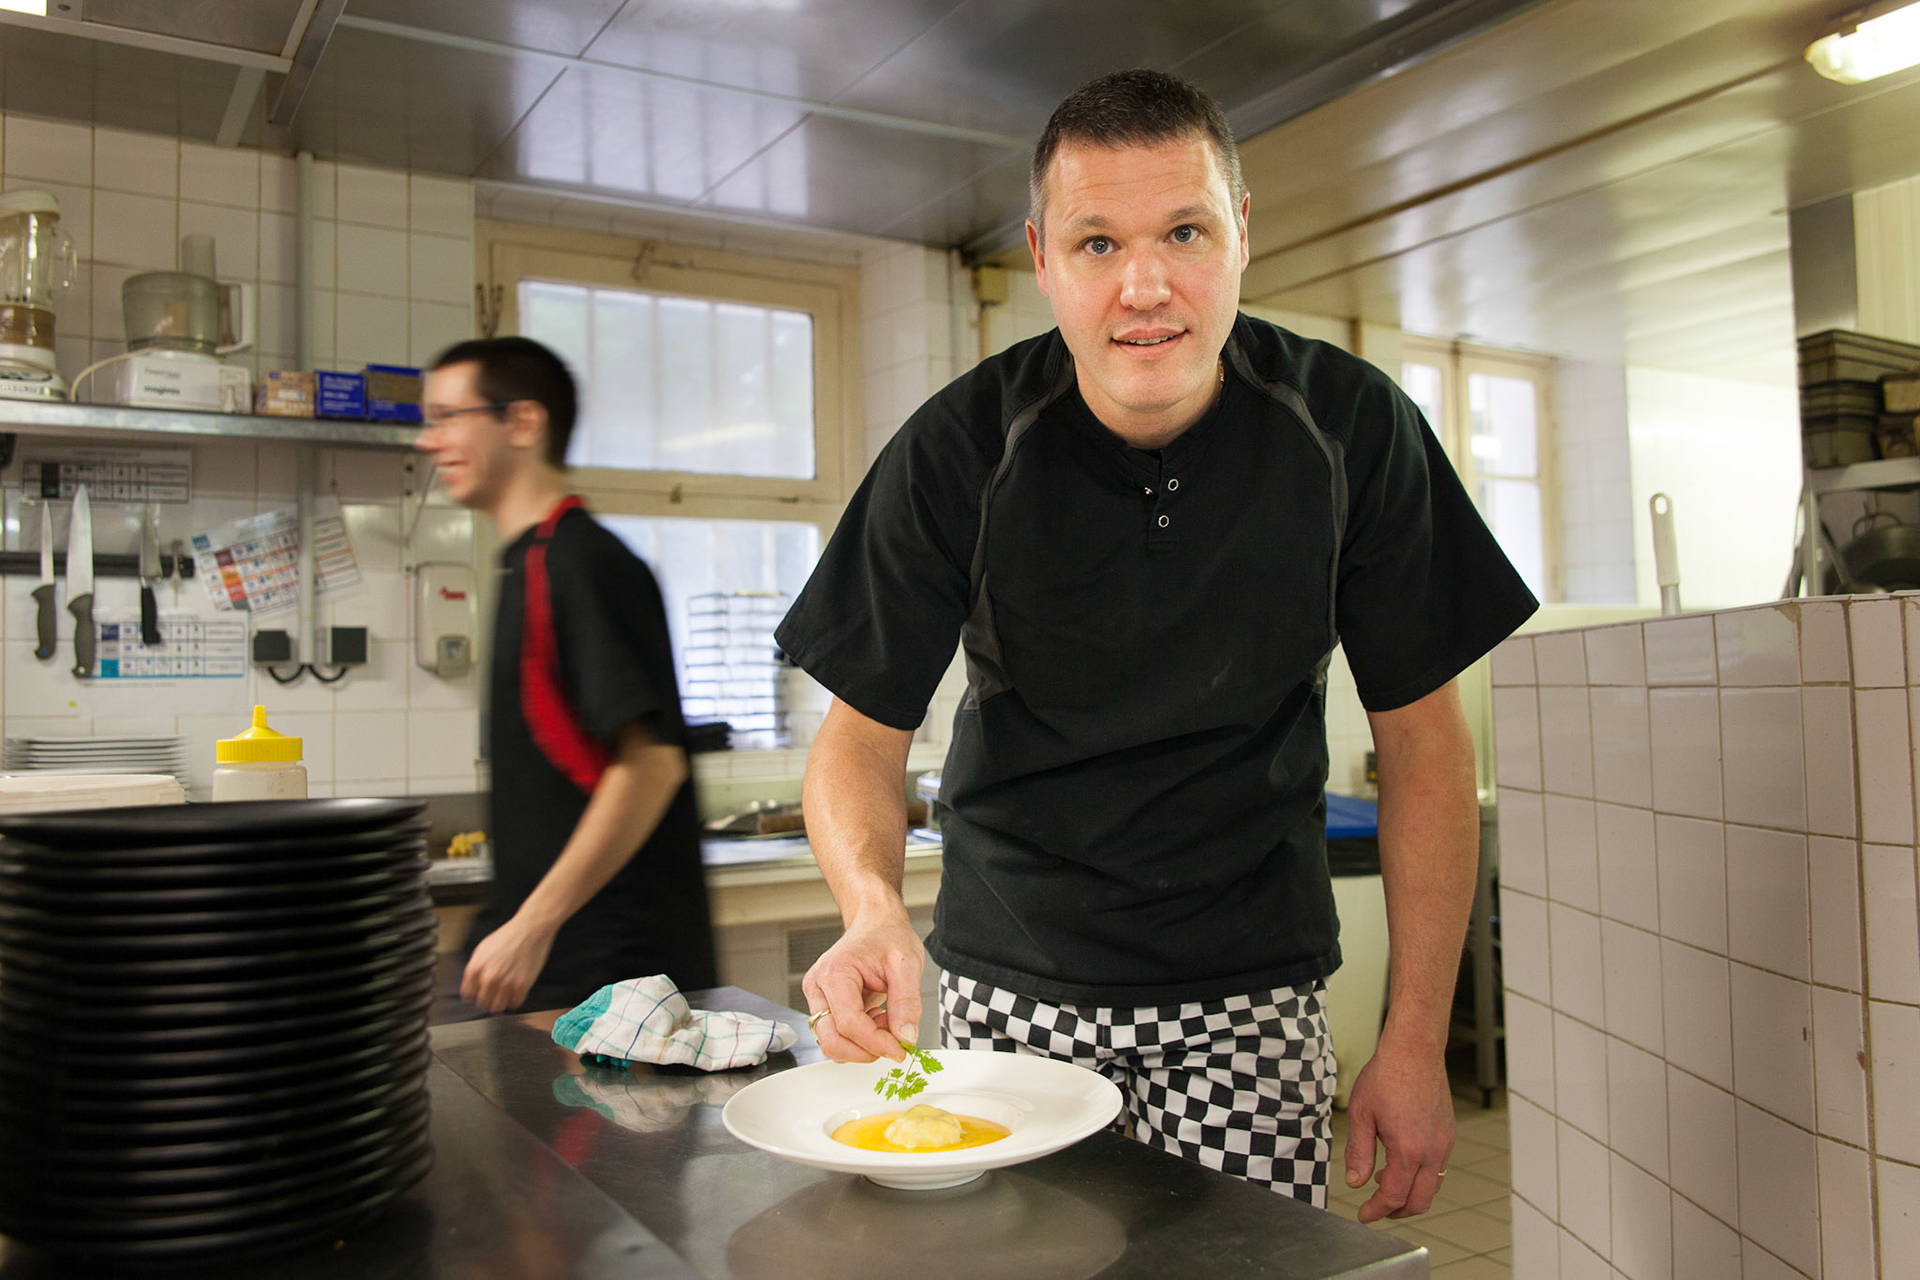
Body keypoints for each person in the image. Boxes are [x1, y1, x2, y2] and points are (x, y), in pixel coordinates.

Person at [772, 69, 1537, 1218]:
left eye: (1185, 230)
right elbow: (859, 738)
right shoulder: (959, 449)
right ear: (1041, 257)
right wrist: (872, 906)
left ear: (1242, 236)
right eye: (1096, 243)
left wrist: (1414, 1035)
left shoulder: (1355, 430)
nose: (1145, 286)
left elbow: (1426, 746)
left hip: (1253, 999)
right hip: (1015, 989)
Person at [419, 336, 717, 1015]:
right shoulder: (528, 562)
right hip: (563, 969)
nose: (428, 440)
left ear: (522, 422)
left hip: (612, 973)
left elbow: (650, 766)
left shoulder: (579, 563)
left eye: (446, 416)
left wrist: (531, 924)